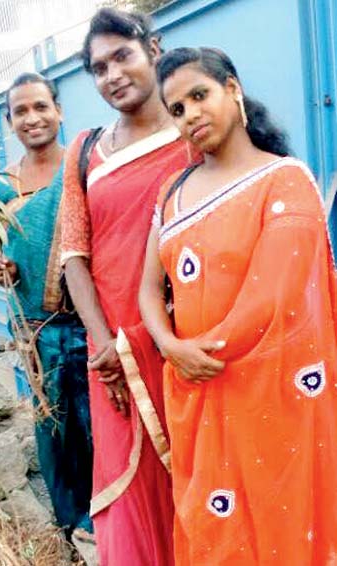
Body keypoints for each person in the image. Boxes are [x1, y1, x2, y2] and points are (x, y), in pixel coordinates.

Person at [139, 46, 337, 565]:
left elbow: (274, 297)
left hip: (274, 395)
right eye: (177, 109)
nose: (190, 116)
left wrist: (196, 354)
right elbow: (147, 291)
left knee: (283, 523)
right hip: (199, 394)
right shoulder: (172, 194)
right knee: (216, 531)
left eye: (199, 96)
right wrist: (170, 346)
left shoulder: (284, 181)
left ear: (233, 89)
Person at [61, 9, 198, 565]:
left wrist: (157, 335)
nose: (112, 74)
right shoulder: (86, 149)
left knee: (201, 470)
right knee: (127, 480)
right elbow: (75, 255)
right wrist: (104, 345)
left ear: (154, 48)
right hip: (112, 355)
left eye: (122, 55)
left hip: (186, 340)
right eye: (99, 67)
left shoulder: (195, 133)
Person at [0, 73, 93, 539]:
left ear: (59, 111)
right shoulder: (0, 189)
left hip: (89, 325)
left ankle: (106, 518)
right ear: (9, 122)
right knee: (54, 428)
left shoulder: (84, 170)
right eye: (21, 111)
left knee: (99, 424)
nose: (33, 118)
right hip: (35, 331)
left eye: (41, 107)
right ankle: (69, 523)